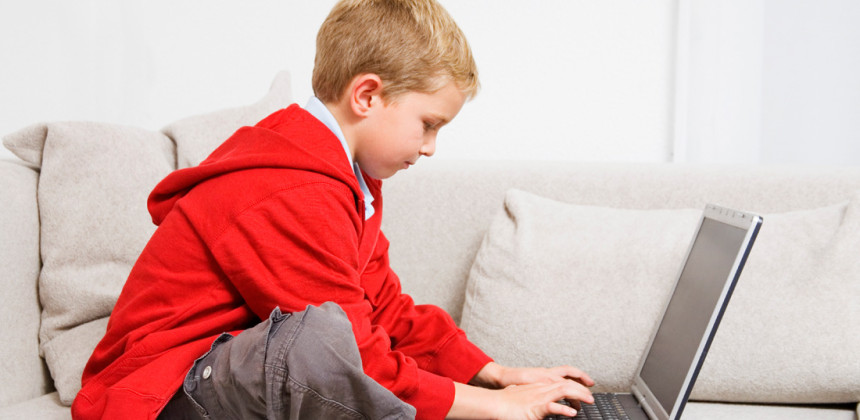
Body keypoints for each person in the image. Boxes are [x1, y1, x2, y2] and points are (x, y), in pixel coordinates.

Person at [72, 1, 594, 419]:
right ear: (367, 95)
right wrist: (494, 408)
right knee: (320, 344)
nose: (431, 147)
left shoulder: (349, 180)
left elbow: (384, 308)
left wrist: (492, 375)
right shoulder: (292, 189)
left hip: (219, 377)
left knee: (330, 341)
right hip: (156, 394)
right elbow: (354, 350)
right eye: (428, 124)